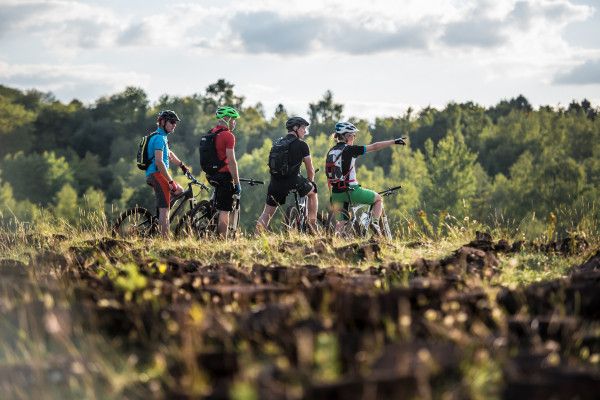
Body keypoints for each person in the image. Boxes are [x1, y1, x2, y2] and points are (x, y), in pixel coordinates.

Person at [326, 121, 405, 235]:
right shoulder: (350, 149)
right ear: (347, 136)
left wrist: (333, 194)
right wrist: (393, 141)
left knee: (341, 222)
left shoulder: (331, 151)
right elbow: (375, 146)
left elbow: (329, 177)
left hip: (336, 194)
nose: (354, 137)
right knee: (378, 199)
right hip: (351, 191)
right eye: (353, 135)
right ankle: (374, 223)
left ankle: (333, 242)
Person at [256, 116, 318, 233]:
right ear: (295, 128)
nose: (305, 131)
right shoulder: (302, 145)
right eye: (303, 128)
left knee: (266, 213)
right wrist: (310, 182)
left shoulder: (277, 143)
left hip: (275, 183)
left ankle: (256, 237)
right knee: (313, 192)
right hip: (294, 181)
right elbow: (310, 169)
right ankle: (312, 224)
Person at [146, 110, 189, 238]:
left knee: (179, 190)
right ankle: (164, 240)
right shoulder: (159, 138)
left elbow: (169, 154)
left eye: (175, 122)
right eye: (172, 122)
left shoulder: (162, 137)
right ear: (163, 122)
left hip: (155, 175)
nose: (174, 124)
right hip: (157, 174)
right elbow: (159, 162)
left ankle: (161, 210)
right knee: (165, 209)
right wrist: (170, 181)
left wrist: (182, 165)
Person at [206, 106, 241, 238]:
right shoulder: (228, 135)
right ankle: (222, 240)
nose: (234, 123)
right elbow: (232, 161)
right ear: (227, 119)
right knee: (225, 210)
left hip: (211, 174)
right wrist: (237, 183)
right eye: (234, 119)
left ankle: (208, 214)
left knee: (217, 202)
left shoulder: (211, 133)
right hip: (224, 176)